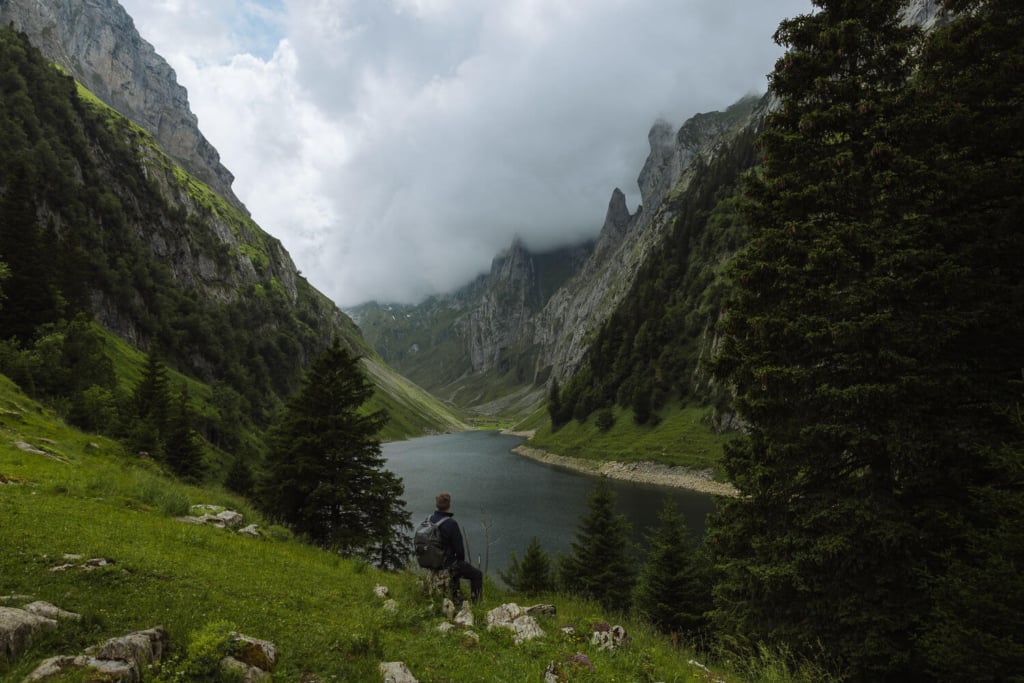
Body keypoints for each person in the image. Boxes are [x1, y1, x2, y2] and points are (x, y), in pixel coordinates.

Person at [430, 492, 483, 603]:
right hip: (447, 562)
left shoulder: (430, 519)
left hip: (433, 561)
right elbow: (459, 549)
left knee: (456, 571)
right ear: (449, 505)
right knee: (477, 575)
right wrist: (460, 562)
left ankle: (455, 597)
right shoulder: (451, 523)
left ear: (436, 504)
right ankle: (476, 604)